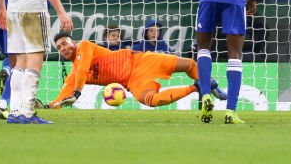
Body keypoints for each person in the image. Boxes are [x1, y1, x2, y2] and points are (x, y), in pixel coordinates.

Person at [48, 34, 225, 109]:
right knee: (151, 100)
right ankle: (198, 87)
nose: (63, 48)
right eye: (59, 47)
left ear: (73, 43)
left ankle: (211, 86)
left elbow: (82, 69)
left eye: (65, 43)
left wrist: (77, 92)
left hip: (141, 60)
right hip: (132, 82)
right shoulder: (74, 74)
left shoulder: (85, 46)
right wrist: (48, 107)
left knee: (189, 64)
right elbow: (62, 96)